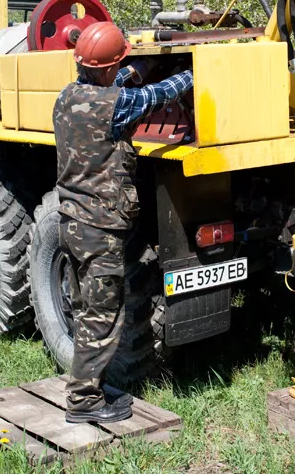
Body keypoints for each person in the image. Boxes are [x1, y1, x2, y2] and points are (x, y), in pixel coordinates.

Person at [53, 21, 194, 424]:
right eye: (118, 65)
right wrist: (192, 72)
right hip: (100, 228)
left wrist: (139, 67)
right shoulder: (115, 105)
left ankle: (86, 388)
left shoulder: (67, 97)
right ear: (109, 67)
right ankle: (83, 401)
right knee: (103, 313)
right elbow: (155, 96)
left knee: (86, 309)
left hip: (72, 222)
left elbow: (122, 84)